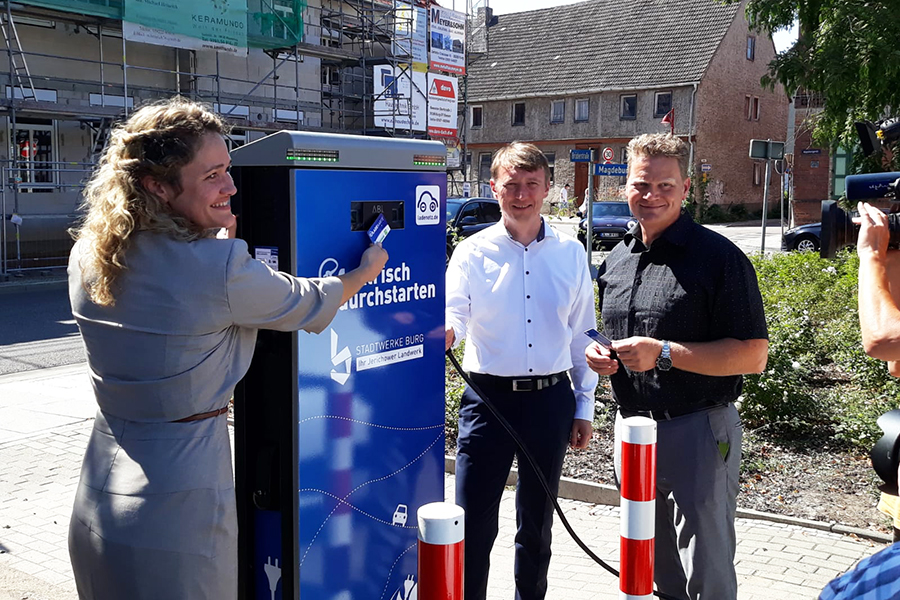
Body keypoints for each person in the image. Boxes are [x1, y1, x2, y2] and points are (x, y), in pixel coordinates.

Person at [66, 97, 387, 600]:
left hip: (100, 486)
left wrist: (216, 240)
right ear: (157, 186)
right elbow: (309, 299)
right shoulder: (217, 268)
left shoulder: (90, 251)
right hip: (179, 498)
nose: (232, 186)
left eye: (229, 169)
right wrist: (366, 271)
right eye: (213, 174)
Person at [585, 133, 768, 600]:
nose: (652, 196)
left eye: (666, 186)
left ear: (686, 189)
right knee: (654, 564)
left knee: (707, 569)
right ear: (625, 186)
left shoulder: (719, 258)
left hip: (699, 430)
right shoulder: (618, 260)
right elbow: (621, 343)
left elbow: (753, 354)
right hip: (632, 430)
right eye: (642, 184)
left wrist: (663, 351)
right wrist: (603, 358)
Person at [445, 142, 597, 600]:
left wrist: (584, 405)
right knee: (472, 523)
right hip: (487, 402)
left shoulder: (570, 254)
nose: (522, 194)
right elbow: (454, 313)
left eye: (532, 184)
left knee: (537, 524)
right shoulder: (472, 252)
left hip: (550, 402)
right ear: (495, 188)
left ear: (548, 188)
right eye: (512, 185)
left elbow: (583, 334)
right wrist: (447, 332)